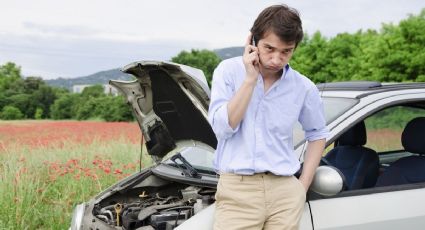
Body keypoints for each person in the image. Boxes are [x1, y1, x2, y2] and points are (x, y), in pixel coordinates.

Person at [207, 4, 329, 230]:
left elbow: (318, 133)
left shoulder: (304, 87)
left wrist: (302, 187)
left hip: (285, 191)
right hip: (238, 191)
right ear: (252, 41)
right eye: (269, 48)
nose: (276, 59)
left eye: (286, 51)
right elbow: (223, 129)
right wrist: (250, 79)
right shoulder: (228, 71)